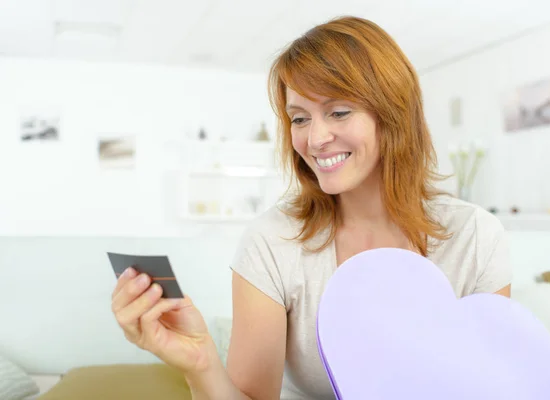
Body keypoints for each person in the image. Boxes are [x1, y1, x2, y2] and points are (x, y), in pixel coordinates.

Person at [110, 15, 511, 400]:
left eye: (338, 112)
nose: (315, 138)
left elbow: (490, 385)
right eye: (299, 118)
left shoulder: (474, 238)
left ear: (394, 115)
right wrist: (200, 364)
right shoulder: (272, 243)